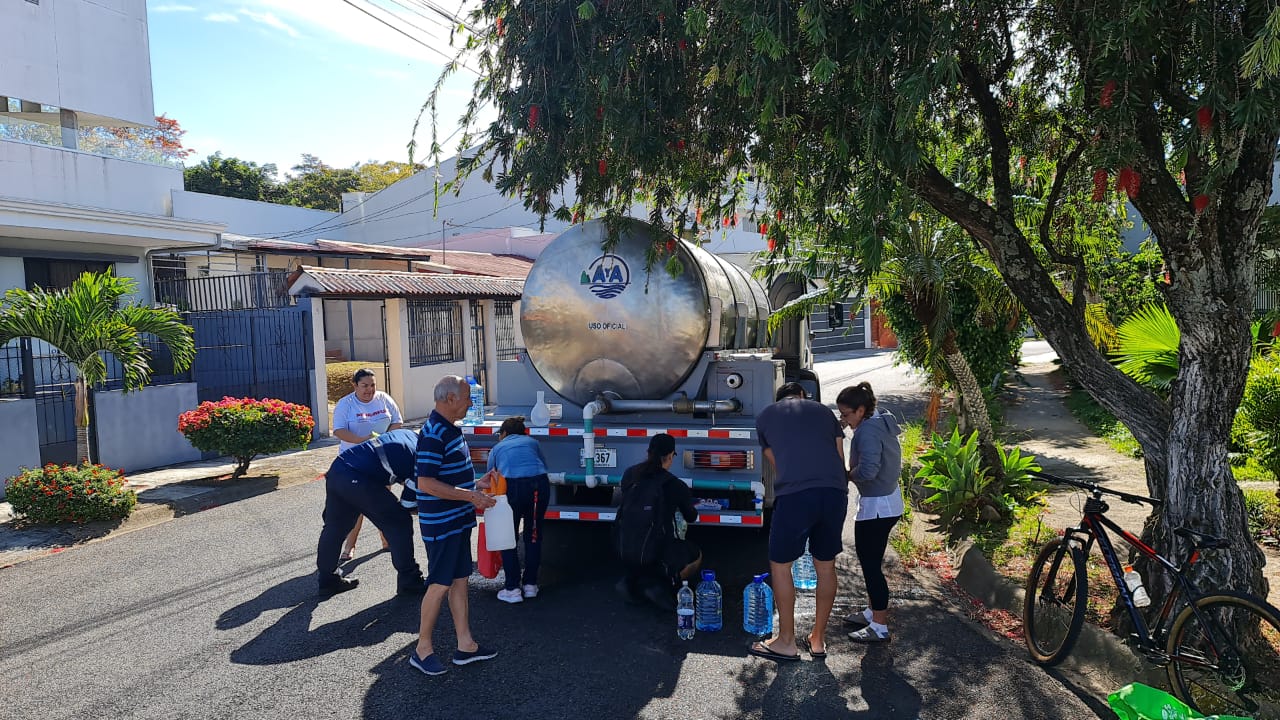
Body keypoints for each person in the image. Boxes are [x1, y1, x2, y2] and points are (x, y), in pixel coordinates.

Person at [750, 382, 848, 661]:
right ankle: (818, 639)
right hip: (834, 493)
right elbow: (838, 456)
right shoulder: (824, 412)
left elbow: (777, 463)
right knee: (826, 566)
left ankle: (786, 641)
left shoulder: (766, 416)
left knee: (781, 566)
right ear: (803, 396)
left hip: (796, 495)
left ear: (778, 398)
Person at [409, 375, 499, 677]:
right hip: (443, 523)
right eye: (466, 397)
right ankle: (422, 649)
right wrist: (471, 496)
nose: (470, 403)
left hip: (456, 520)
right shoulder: (434, 432)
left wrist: (476, 484)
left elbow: (448, 479)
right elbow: (427, 482)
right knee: (440, 584)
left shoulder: (449, 429)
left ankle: (466, 645)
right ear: (449, 399)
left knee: (460, 580)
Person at [315, 428, 426, 597]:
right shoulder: (424, 457)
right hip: (360, 479)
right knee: (399, 521)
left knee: (335, 528)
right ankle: (409, 580)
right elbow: (409, 504)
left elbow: (399, 469)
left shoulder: (408, 435)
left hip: (339, 469)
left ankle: (327, 580)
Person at [838, 382, 903, 643]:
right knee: (871, 562)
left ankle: (879, 626)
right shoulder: (880, 418)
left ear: (861, 410)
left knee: (871, 566)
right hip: (890, 500)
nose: (844, 419)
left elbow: (868, 471)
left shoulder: (867, 432)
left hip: (877, 506)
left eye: (846, 414)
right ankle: (872, 611)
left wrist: (844, 476)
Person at [614, 433, 701, 611]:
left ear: (648, 453)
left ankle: (631, 580)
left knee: (643, 547)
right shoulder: (674, 485)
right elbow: (691, 516)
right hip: (657, 552)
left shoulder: (629, 474)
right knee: (695, 553)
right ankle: (666, 585)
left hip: (624, 547)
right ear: (670, 456)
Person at [331, 368, 403, 561]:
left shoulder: (383, 399)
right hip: (353, 461)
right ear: (354, 385)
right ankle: (349, 546)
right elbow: (338, 430)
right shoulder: (346, 404)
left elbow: (397, 422)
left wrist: (385, 437)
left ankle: (386, 538)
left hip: (380, 459)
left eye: (372, 385)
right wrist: (360, 440)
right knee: (358, 506)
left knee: (382, 501)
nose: (369, 390)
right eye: (364, 386)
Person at [485, 416, 551, 604]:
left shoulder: (498, 447)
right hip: (539, 484)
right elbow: (543, 465)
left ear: (504, 433)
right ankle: (530, 585)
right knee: (533, 534)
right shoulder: (533, 442)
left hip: (511, 487)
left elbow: (492, 475)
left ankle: (512, 588)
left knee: (508, 536)